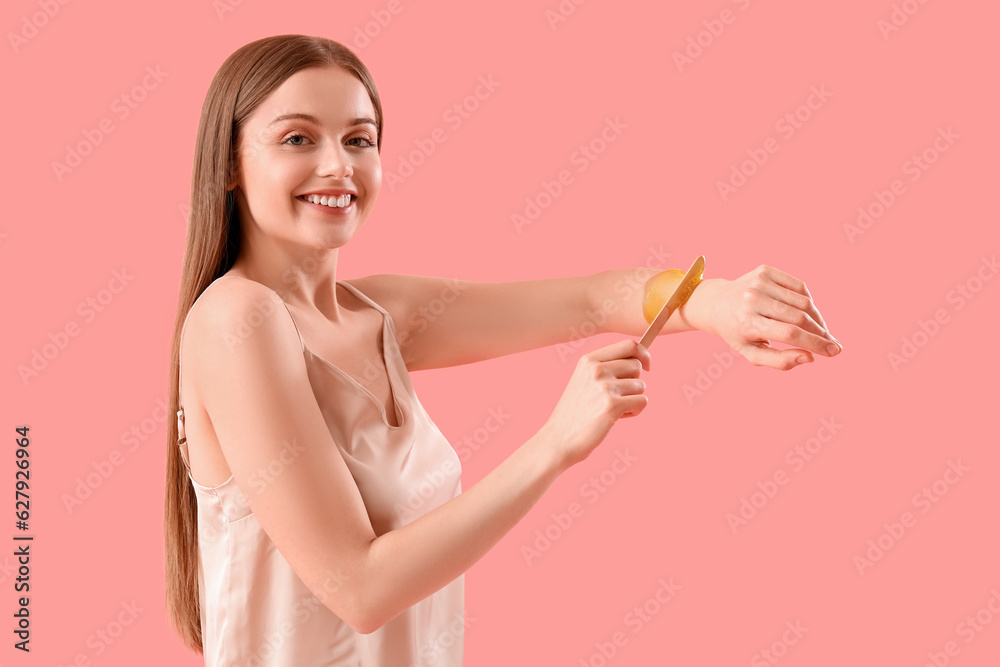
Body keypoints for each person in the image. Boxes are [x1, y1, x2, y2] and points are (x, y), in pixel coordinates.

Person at [163, 34, 842, 666]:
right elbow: (359, 588)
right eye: (297, 138)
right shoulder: (236, 318)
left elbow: (591, 301)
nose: (338, 164)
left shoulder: (383, 313)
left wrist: (716, 301)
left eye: (359, 139)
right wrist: (556, 443)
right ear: (229, 163)